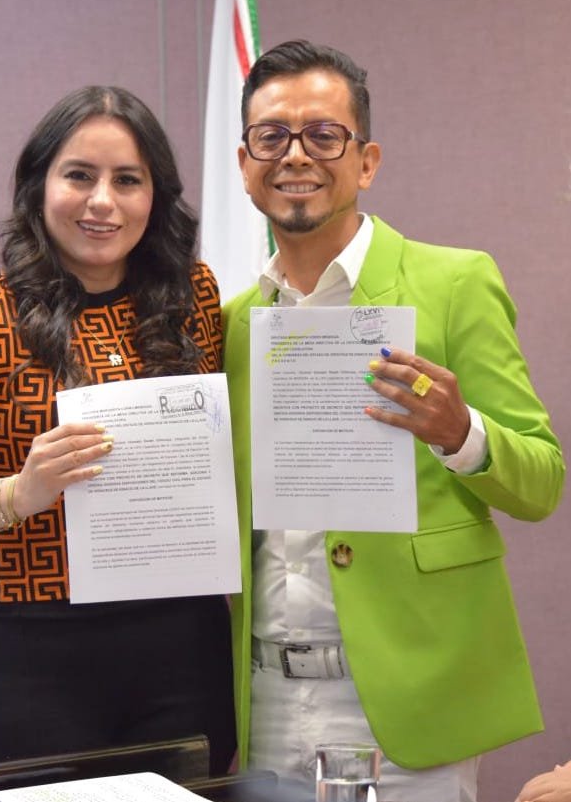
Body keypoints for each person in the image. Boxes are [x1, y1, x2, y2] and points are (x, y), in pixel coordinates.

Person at [222, 40, 564, 802]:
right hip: (264, 702)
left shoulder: (452, 282)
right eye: (271, 137)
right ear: (244, 165)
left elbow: (541, 482)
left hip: (407, 698)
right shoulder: (232, 323)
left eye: (323, 134)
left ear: (366, 161)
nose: (295, 155)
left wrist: (458, 432)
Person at [0, 86, 236, 773]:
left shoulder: (193, 297)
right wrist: (17, 493)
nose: (102, 201)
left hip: (184, 646)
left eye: (127, 180)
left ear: (156, 196)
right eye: (79, 175)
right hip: (30, 655)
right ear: (38, 185)